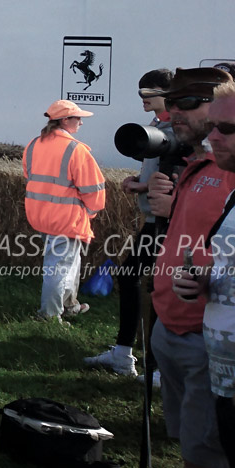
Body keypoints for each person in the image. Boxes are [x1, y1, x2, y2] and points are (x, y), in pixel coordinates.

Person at [149, 66, 235, 468]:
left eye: (186, 103)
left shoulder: (229, 169)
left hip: (208, 338)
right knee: (186, 440)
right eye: (170, 103)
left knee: (206, 452)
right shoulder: (199, 165)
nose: (173, 112)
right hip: (170, 327)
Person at [86, 68, 177, 377]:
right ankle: (125, 355)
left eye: (147, 93)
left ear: (168, 93)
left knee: (161, 285)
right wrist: (141, 179)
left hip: (172, 222)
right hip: (154, 218)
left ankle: (159, 366)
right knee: (130, 277)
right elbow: (162, 169)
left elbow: (188, 178)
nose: (142, 100)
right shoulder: (158, 125)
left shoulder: (180, 129)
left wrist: (145, 186)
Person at [173, 91, 235, 463]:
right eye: (212, 126)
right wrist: (204, 282)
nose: (213, 137)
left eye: (226, 129)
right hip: (224, 376)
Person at [23, 99, 107, 320]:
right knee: (59, 269)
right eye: (77, 118)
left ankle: (69, 305)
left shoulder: (34, 145)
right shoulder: (75, 150)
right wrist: (91, 211)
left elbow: (30, 176)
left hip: (41, 216)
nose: (81, 122)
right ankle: (49, 316)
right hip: (65, 219)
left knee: (69, 264)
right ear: (65, 120)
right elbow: (94, 191)